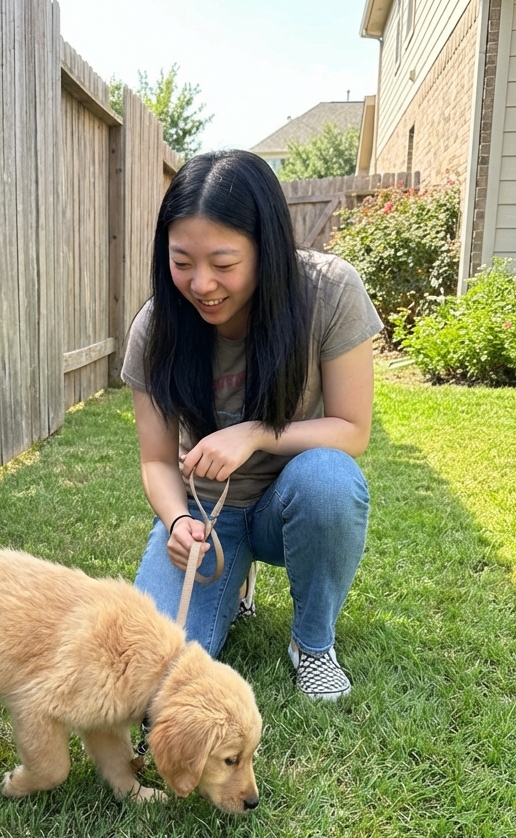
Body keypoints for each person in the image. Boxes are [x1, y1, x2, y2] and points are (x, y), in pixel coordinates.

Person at [120, 150, 382, 700]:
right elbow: (155, 461)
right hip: (207, 514)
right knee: (150, 679)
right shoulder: (157, 326)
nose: (201, 284)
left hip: (290, 501)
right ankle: (231, 577)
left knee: (330, 481)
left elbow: (352, 430)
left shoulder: (329, 292)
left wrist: (258, 432)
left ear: (268, 250)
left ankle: (312, 644)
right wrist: (176, 524)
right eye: (181, 261)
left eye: (223, 262)